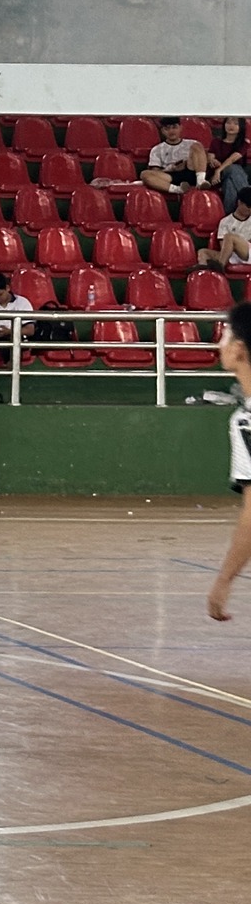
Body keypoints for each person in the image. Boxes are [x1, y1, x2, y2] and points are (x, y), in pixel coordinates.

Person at [207, 302, 251, 619]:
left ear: (239, 349)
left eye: (225, 335)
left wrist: (224, 580)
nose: (219, 344)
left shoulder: (246, 422)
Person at [141, 116, 211, 193]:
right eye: (167, 128)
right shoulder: (156, 149)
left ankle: (201, 181)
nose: (171, 131)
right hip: (170, 176)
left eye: (174, 127)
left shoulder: (192, 143)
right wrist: (170, 168)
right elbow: (155, 171)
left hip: (190, 172)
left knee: (197, 146)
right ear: (162, 131)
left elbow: (203, 160)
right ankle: (179, 189)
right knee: (144, 174)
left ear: (180, 128)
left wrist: (186, 163)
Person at [203, 191, 251, 268]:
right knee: (203, 252)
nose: (250, 210)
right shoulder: (225, 222)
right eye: (248, 206)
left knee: (229, 237)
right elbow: (223, 246)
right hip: (231, 255)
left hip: (248, 252)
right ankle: (205, 274)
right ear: (239, 203)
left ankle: (220, 267)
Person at [213, 116, 250, 214]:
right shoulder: (216, 141)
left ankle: (230, 216)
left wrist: (219, 170)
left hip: (229, 175)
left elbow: (232, 159)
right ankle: (249, 198)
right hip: (217, 178)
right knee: (234, 168)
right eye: (228, 122)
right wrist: (212, 161)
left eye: (235, 123)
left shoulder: (244, 143)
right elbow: (210, 157)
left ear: (241, 127)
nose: (231, 126)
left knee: (230, 185)